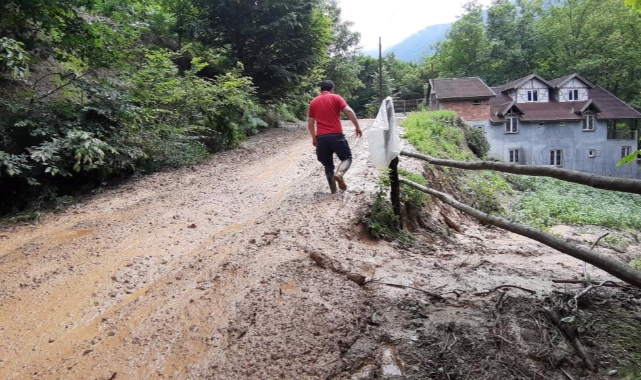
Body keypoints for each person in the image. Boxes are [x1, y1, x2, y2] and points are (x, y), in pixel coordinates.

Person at [308, 80, 362, 193]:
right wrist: (357, 126)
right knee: (347, 158)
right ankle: (340, 173)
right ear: (332, 89)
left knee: (328, 165)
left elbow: (310, 123)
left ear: (320, 90)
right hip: (336, 136)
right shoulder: (336, 97)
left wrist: (314, 138)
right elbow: (349, 111)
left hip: (322, 138)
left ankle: (333, 190)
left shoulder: (313, 102)